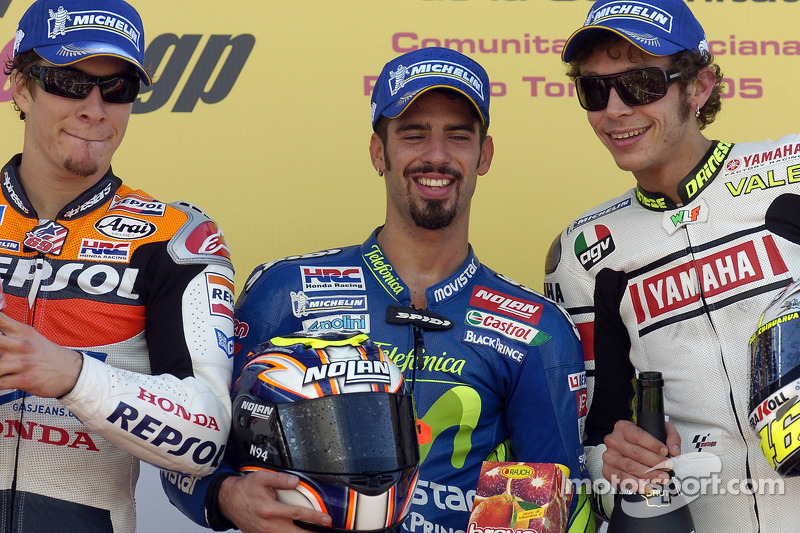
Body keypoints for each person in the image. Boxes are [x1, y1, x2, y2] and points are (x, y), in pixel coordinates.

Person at [163, 47, 593, 533]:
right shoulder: (282, 293)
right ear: (377, 151)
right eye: (413, 135)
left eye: (458, 136)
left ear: (484, 154)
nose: (436, 155)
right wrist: (226, 497)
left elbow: (558, 505)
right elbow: (187, 451)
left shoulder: (535, 328)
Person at [544, 0, 800, 531]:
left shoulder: (790, 173)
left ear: (700, 85)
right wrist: (618, 463)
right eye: (593, 89)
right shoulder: (585, 250)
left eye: (640, 84)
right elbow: (591, 442)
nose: (614, 109)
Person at [0, 0, 234, 531]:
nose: (95, 108)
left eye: (118, 89)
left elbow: (206, 436)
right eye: (69, 81)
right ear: (20, 87)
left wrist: (73, 377)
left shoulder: (175, 236)